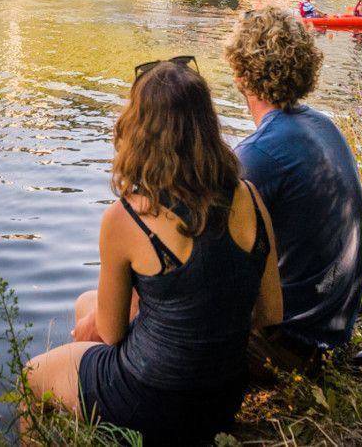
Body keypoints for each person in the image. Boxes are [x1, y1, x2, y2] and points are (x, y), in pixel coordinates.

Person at [24, 59, 283, 445]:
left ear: (140, 130)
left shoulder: (128, 217)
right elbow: (270, 313)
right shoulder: (250, 197)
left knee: (32, 375)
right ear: (206, 127)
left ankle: (98, 422)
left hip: (153, 401)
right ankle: (94, 427)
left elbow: (110, 334)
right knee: (84, 304)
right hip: (222, 397)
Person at [225, 7, 362, 374]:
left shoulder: (257, 156)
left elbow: (213, 268)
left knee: (102, 321)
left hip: (293, 344)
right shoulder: (324, 126)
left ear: (242, 75)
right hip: (334, 326)